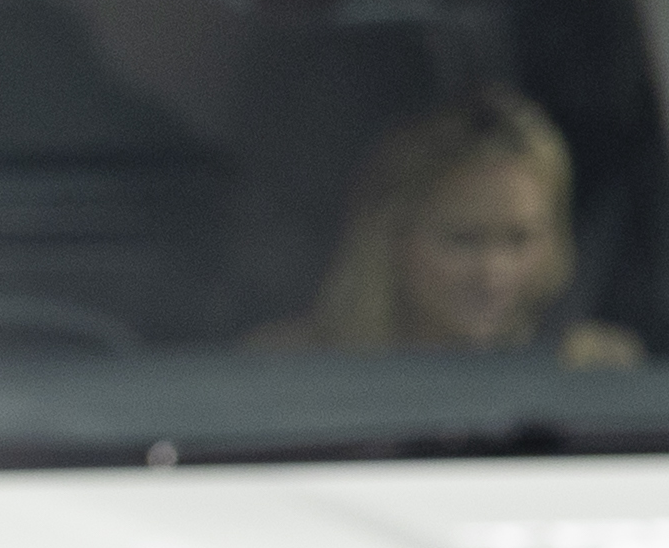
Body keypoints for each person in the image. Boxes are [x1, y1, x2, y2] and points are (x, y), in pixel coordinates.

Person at [272, 84, 643, 364]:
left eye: (519, 240)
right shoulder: (291, 367)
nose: (493, 274)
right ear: (392, 236)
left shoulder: (593, 373)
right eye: (464, 241)